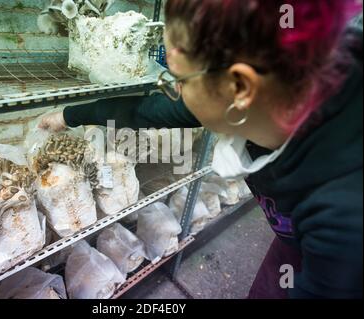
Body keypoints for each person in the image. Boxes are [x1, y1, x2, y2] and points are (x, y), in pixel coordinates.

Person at [40, 0, 363, 299]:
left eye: (178, 79)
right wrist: (69, 116)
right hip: (292, 240)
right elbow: (144, 111)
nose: (174, 91)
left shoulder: (343, 215)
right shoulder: (267, 96)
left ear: (239, 87)